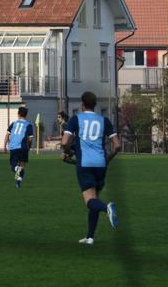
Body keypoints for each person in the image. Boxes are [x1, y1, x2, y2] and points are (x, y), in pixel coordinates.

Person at [61, 91, 120, 245]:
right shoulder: (104, 120)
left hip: (85, 164)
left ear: (82, 104)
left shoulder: (75, 119)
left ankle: (107, 208)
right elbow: (117, 145)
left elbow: (64, 142)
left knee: (90, 201)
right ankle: (90, 237)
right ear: (95, 105)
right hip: (100, 164)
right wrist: (107, 159)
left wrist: (67, 152)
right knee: (94, 199)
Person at [3, 106, 34, 189]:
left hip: (13, 147)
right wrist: (29, 147)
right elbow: (30, 138)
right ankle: (18, 182)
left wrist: (4, 146)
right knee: (22, 167)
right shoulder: (29, 125)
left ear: (18, 114)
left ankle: (17, 170)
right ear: (26, 115)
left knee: (13, 167)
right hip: (23, 147)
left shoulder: (13, 124)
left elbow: (7, 135)